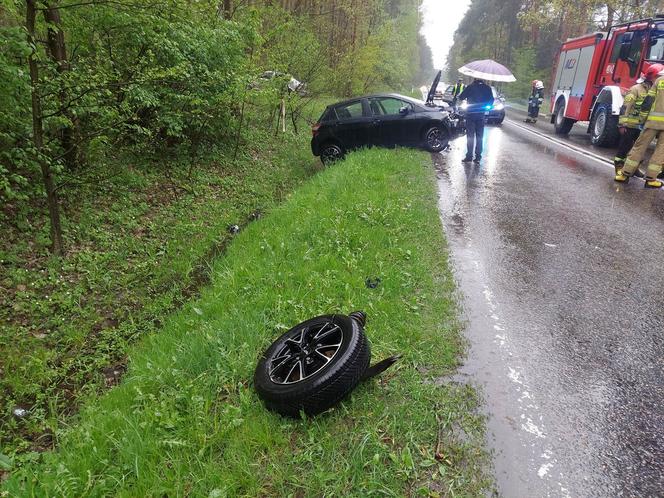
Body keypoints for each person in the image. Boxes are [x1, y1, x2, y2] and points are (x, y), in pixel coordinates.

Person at [615, 66, 664, 188]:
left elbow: (648, 101)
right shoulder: (636, 89)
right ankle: (651, 179)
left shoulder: (659, 81)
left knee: (639, 146)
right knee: (660, 151)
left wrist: (643, 120)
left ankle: (625, 173)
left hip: (651, 122)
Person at [457, 78, 494, 163]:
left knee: (470, 136)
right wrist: (486, 106)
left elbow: (461, 97)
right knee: (480, 137)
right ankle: (478, 157)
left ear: (475, 78)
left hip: (470, 114)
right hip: (481, 115)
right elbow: (491, 101)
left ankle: (469, 156)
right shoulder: (487, 88)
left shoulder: (470, 87)